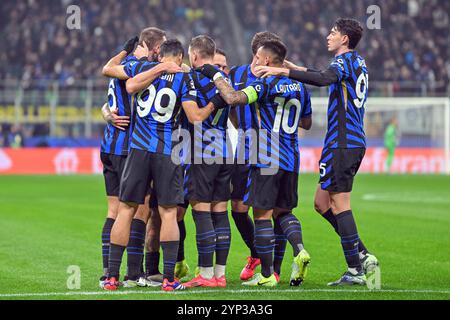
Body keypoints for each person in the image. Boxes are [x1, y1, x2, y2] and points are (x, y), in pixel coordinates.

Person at [255, 18, 379, 286]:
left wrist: (283, 73)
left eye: (333, 32)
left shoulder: (343, 62)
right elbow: (326, 74)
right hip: (347, 142)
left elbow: (323, 79)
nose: (328, 36)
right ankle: (362, 253)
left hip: (343, 142)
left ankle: (355, 269)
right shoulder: (357, 62)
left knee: (340, 203)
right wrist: (295, 68)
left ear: (345, 39)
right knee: (321, 203)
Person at [103, 39, 227, 291]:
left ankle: (112, 277)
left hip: (137, 149)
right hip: (167, 151)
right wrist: (215, 102)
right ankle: (169, 279)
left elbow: (129, 88)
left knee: (125, 209)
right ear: (180, 57)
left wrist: (157, 69)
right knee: (168, 213)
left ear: (158, 54)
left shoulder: (143, 69)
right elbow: (195, 117)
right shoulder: (184, 78)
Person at [198, 39, 312, 287]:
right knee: (283, 212)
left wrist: (215, 75)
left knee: (262, 215)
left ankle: (269, 274)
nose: (255, 60)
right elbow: (307, 123)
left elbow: (234, 98)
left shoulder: (265, 84)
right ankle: (300, 249)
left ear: (268, 60)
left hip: (267, 156)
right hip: (291, 157)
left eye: (259, 57)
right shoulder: (300, 87)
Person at [99, 28, 177, 288]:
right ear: (153, 47)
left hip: (115, 145)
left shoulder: (127, 64)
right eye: (160, 47)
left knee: (119, 210)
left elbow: (108, 70)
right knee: (142, 211)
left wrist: (106, 113)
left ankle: (111, 274)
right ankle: (135, 274)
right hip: (130, 147)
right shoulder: (142, 66)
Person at [227, 31, 289, 282]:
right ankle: (257, 254)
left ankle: (274, 268)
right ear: (258, 55)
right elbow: (231, 107)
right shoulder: (237, 74)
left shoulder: (278, 80)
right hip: (245, 146)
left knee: (271, 210)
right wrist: (241, 127)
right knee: (238, 208)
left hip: (269, 147)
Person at [180, 35, 232, 288]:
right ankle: (220, 276)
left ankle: (206, 274)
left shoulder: (193, 79)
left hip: (202, 151)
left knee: (201, 212)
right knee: (220, 213)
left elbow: (195, 117)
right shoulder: (225, 81)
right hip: (224, 150)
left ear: (195, 55)